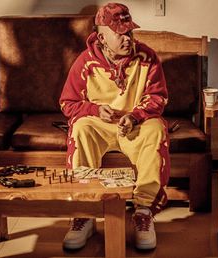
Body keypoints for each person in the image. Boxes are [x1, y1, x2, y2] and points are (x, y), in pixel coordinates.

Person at [59, 2, 170, 250]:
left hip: (134, 126)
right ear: (101, 37)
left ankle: (143, 211)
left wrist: (135, 116)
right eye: (120, 33)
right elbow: (68, 104)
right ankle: (84, 213)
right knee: (81, 127)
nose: (127, 38)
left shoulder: (147, 57)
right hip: (100, 126)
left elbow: (157, 98)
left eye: (129, 32)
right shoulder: (84, 62)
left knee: (156, 128)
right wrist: (94, 109)